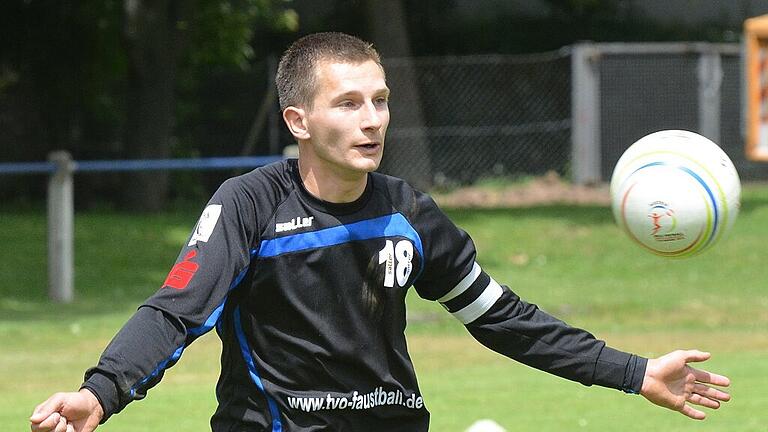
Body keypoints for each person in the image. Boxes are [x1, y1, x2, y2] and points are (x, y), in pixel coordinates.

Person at [30, 32, 731, 432]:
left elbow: (502, 319)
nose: (373, 119)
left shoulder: (409, 213)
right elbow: (176, 311)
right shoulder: (251, 205)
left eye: (381, 100)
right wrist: (101, 392)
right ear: (299, 121)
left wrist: (634, 372)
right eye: (349, 102)